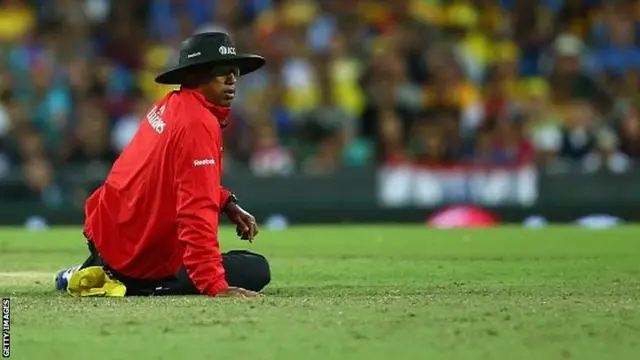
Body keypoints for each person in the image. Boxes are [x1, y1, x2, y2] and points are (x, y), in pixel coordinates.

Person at [54, 32, 270, 298]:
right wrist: (214, 285)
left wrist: (226, 202)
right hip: (137, 258)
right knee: (256, 269)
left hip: (108, 238)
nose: (232, 80)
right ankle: (138, 284)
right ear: (193, 76)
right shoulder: (198, 124)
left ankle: (94, 268)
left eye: (235, 71)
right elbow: (196, 209)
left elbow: (164, 175)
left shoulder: (170, 105)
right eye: (221, 71)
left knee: (237, 261)